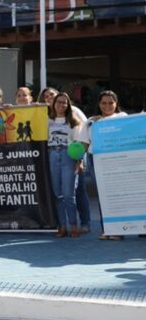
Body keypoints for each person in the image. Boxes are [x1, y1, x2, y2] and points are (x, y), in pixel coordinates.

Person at [77, 90, 127, 241]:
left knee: (116, 195)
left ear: (116, 103)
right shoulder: (91, 121)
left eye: (110, 103)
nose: (107, 106)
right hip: (95, 159)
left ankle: (119, 230)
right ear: (99, 104)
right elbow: (85, 143)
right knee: (103, 196)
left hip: (117, 159)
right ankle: (107, 230)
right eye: (104, 103)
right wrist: (79, 160)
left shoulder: (122, 117)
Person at [47, 92, 83, 238]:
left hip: (68, 156)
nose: (61, 105)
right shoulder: (47, 120)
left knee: (69, 194)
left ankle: (73, 224)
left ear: (68, 105)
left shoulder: (74, 122)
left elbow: (79, 144)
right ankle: (62, 226)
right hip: (52, 155)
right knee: (57, 194)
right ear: (53, 104)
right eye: (58, 102)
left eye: (64, 102)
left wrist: (79, 162)